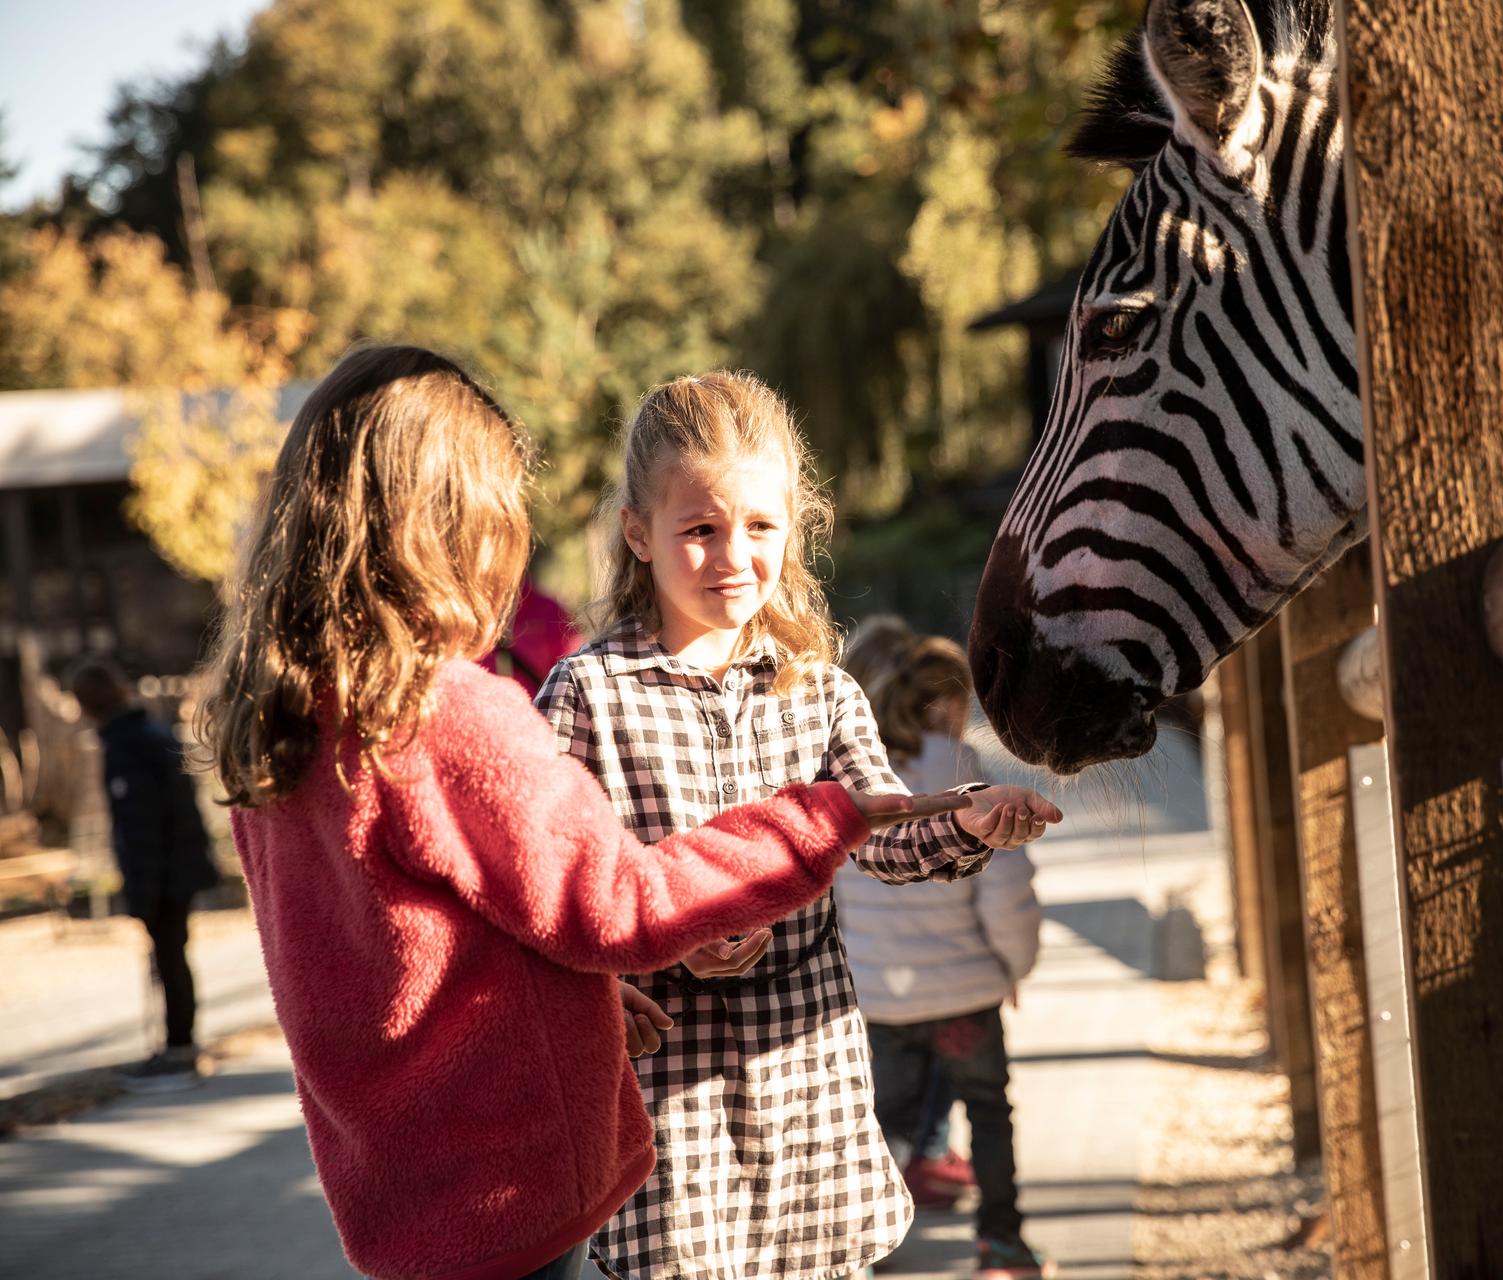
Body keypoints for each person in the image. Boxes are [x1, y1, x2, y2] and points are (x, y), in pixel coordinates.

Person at [197, 344, 947, 1280]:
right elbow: (619, 903)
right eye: (501, 511)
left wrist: (584, 993)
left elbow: (434, 932)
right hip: (514, 1183)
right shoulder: (448, 713)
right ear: (451, 527)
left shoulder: (281, 724)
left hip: (396, 1193)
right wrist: (820, 818)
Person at [535, 370, 1062, 1280]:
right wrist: (618, 975)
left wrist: (971, 824)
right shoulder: (587, 696)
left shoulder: (818, 691)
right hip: (671, 1101)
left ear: (794, 526)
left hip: (808, 1073)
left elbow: (885, 837)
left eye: (760, 527)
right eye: (699, 530)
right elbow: (549, 882)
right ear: (638, 532)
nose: (732, 555)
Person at [837, 618, 1053, 1280]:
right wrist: (1012, 967)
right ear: (943, 704)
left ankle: (865, 1247)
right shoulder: (960, 771)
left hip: (881, 1002)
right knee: (988, 1112)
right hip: (964, 995)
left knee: (883, 1124)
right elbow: (1005, 889)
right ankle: (1002, 1245)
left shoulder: (851, 787)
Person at [69, 657, 220, 1094]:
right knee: (171, 955)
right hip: (179, 866)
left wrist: (142, 892)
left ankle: (179, 1049)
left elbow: (141, 826)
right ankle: (175, 1046)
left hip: (165, 871)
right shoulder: (148, 732)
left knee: (169, 957)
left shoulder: (128, 745)